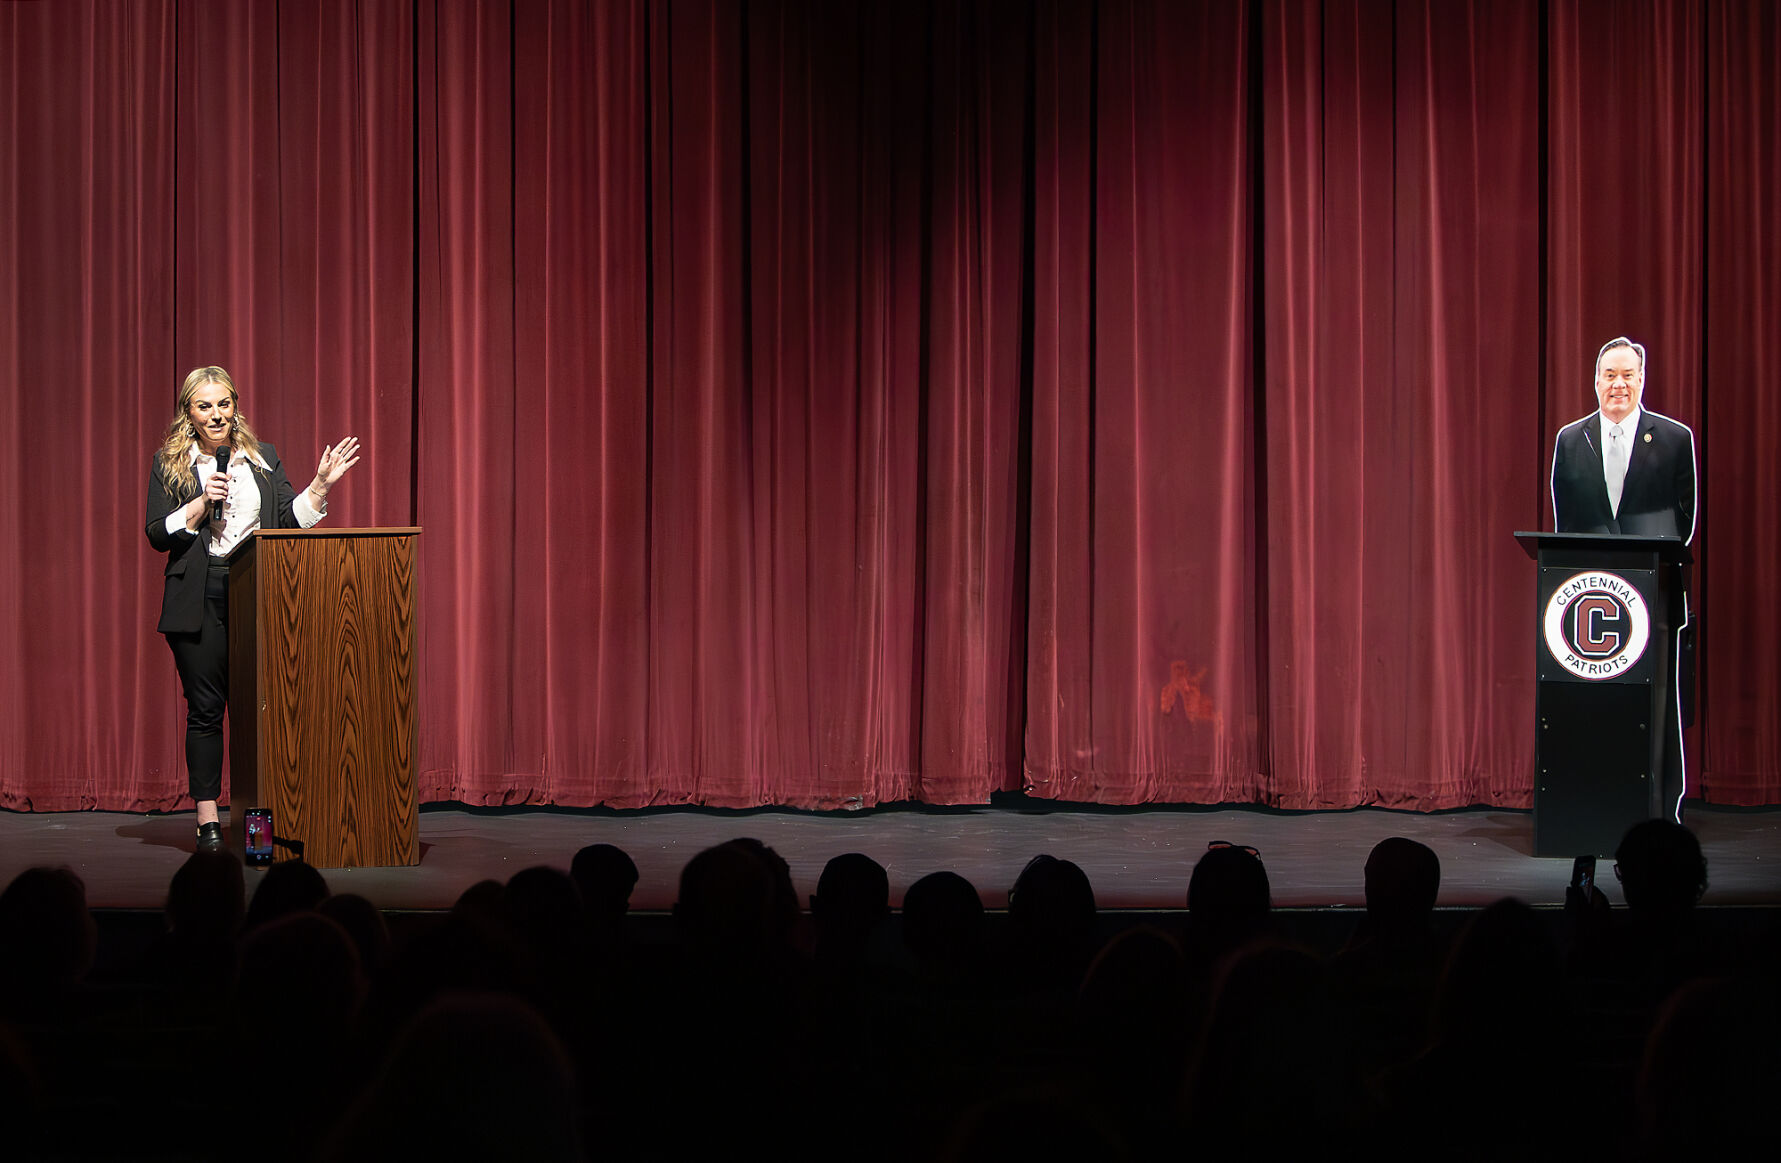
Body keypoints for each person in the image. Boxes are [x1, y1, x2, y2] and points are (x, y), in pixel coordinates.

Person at [144, 366, 359, 851]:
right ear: (189, 413)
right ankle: (208, 820)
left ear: (235, 406)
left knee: (260, 709)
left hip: (255, 590)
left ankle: (258, 821)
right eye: (205, 406)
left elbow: (286, 521)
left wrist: (320, 486)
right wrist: (201, 503)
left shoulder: (263, 458)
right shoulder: (169, 463)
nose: (216, 414)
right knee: (205, 710)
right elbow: (157, 533)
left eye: (224, 404)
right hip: (197, 597)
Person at [1549, 336, 1696, 821]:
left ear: (1642, 380)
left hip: (1655, 599)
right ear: (1595, 382)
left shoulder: (1674, 439)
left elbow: (1685, 520)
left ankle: (1660, 811)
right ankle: (1588, 805)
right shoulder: (1571, 441)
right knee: (1591, 707)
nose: (1618, 384)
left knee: (1657, 707)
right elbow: (1565, 522)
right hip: (1586, 606)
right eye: (1609, 375)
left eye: (1628, 375)